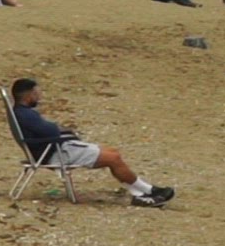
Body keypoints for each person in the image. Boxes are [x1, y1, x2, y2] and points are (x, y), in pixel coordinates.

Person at [10, 78, 173, 207]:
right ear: (28, 96)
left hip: (54, 148)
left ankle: (142, 192)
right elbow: (51, 131)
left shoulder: (21, 112)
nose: (39, 97)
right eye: (37, 93)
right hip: (56, 153)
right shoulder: (27, 115)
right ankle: (146, 192)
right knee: (113, 159)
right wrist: (59, 129)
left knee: (113, 152)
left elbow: (47, 130)